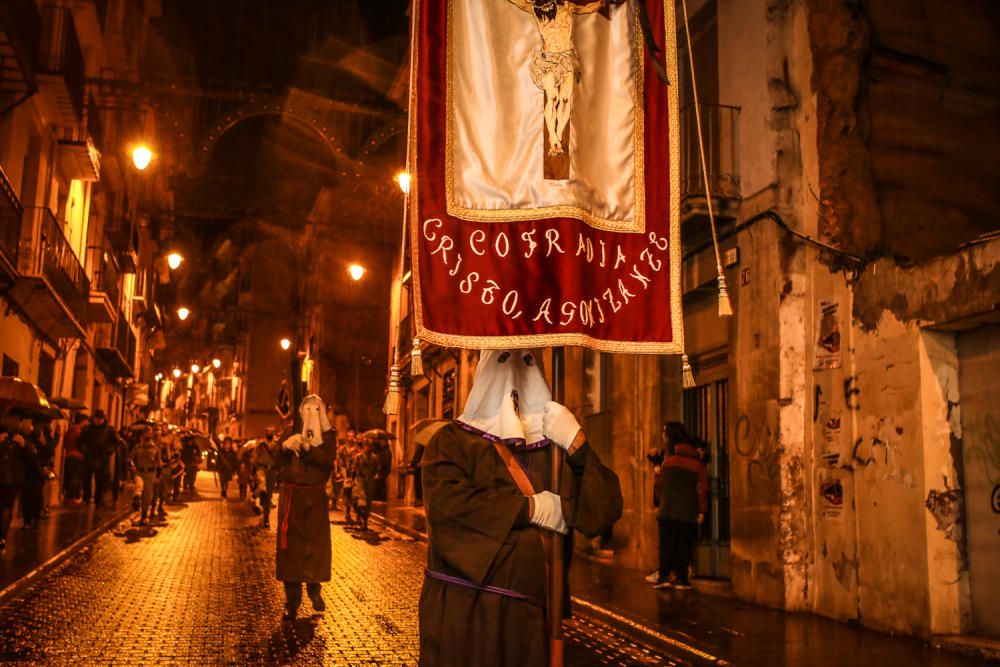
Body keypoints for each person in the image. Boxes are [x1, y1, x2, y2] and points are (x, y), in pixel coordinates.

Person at [419, 349, 622, 667]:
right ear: (484, 370)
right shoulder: (451, 442)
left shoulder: (553, 450)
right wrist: (530, 509)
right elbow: (447, 510)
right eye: (503, 359)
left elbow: (602, 512)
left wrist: (577, 445)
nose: (515, 374)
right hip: (465, 617)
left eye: (527, 361)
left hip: (530, 623)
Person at [276, 395, 336, 621]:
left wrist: (309, 448)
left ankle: (315, 591)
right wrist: (283, 447)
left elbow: (327, 461)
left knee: (314, 548)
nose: (311, 411)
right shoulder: (290, 430)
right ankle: (292, 601)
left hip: (314, 497)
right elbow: (276, 462)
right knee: (290, 550)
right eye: (307, 407)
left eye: (316, 408)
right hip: (292, 496)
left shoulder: (328, 436)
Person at [649, 422, 707, 591]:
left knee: (667, 545)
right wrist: (701, 510)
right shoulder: (697, 464)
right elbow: (701, 489)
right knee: (684, 545)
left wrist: (660, 500)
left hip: (667, 510)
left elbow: (659, 486)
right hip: (688, 511)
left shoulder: (668, 461)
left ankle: (664, 575)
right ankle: (682, 578)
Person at [79, 410, 121, 506]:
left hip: (102, 457)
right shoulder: (87, 429)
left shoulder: (109, 429)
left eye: (100, 419)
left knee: (100, 480)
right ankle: (86, 498)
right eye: (96, 419)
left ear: (103, 419)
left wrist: (109, 451)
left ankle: (98, 499)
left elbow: (116, 442)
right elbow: (81, 441)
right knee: (87, 479)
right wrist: (84, 450)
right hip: (89, 456)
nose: (98, 421)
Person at [0, 411, 27, 550]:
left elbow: (30, 461)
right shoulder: (4, 436)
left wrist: (24, 447)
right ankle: (2, 537)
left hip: (12, 480)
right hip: (9, 479)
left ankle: (2, 536)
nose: (12, 422)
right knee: (5, 507)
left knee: (6, 507)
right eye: (10, 419)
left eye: (15, 419)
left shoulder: (22, 438)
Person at [131, 427, 161, 525]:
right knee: (139, 486)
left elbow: (158, 463)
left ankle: (143, 516)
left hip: (150, 473)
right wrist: (133, 467)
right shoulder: (137, 448)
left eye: (149, 435)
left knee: (148, 496)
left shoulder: (156, 449)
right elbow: (132, 459)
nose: (147, 437)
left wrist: (157, 476)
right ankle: (137, 498)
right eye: (145, 435)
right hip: (139, 472)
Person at [253, 428, 280, 528]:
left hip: (271, 471)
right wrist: (253, 470)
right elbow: (255, 457)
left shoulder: (277, 445)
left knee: (268, 496)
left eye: (271, 431)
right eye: (267, 431)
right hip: (262, 469)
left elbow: (278, 457)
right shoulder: (260, 444)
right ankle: (254, 498)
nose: (269, 433)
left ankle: (266, 519)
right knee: (262, 490)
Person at [352, 438, 379, 531]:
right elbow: (354, 469)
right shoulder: (358, 457)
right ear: (363, 447)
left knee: (368, 502)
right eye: (366, 446)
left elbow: (377, 469)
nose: (367, 448)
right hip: (360, 480)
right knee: (361, 500)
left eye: (369, 446)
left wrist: (376, 475)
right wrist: (352, 480)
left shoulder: (375, 458)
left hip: (370, 481)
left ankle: (365, 521)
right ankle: (359, 515)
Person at [62, 413, 87, 503]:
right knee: (76, 477)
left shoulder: (69, 430)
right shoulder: (80, 432)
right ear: (82, 421)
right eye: (85, 421)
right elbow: (82, 445)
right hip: (78, 456)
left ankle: (68, 496)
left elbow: (64, 444)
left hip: (69, 455)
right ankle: (73, 496)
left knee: (69, 476)